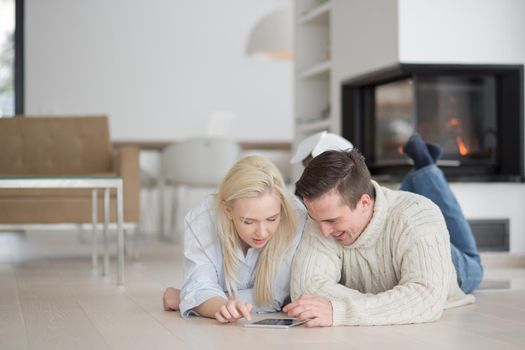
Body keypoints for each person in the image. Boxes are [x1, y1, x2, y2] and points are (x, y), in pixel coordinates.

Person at [284, 135, 481, 327]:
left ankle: (427, 169)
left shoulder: (417, 215)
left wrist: (339, 311)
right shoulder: (321, 216)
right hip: (396, 240)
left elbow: (425, 297)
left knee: (474, 265)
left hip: (455, 268)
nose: (323, 232)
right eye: (316, 220)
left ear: (364, 203)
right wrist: (392, 303)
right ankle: (419, 174)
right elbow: (307, 288)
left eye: (333, 221)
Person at [162, 155, 307, 323]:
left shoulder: (295, 216)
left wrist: (191, 299)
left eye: (272, 219)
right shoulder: (203, 218)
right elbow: (199, 285)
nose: (261, 233)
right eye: (248, 221)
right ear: (227, 211)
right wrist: (215, 304)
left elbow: (274, 296)